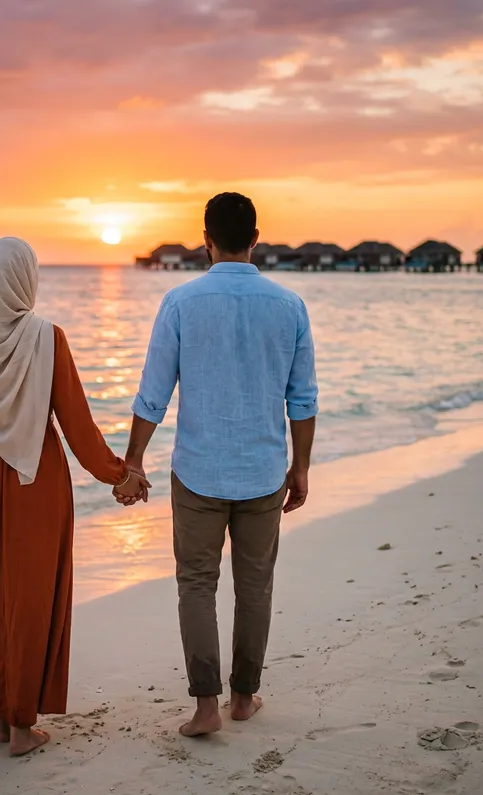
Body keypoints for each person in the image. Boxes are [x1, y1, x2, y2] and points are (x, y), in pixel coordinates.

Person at [0, 237, 148, 757]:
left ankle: (0, 717)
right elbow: (76, 425)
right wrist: (121, 474)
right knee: (31, 595)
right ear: (26, 280)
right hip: (35, 479)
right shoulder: (48, 338)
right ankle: (23, 727)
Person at [117, 193, 318, 736]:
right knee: (255, 586)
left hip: (199, 471)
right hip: (262, 472)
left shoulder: (181, 302)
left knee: (197, 585)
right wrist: (300, 467)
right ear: (256, 238)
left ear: (206, 240)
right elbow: (303, 400)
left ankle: (206, 707)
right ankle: (245, 697)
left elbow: (152, 394)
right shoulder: (289, 305)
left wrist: (133, 460)